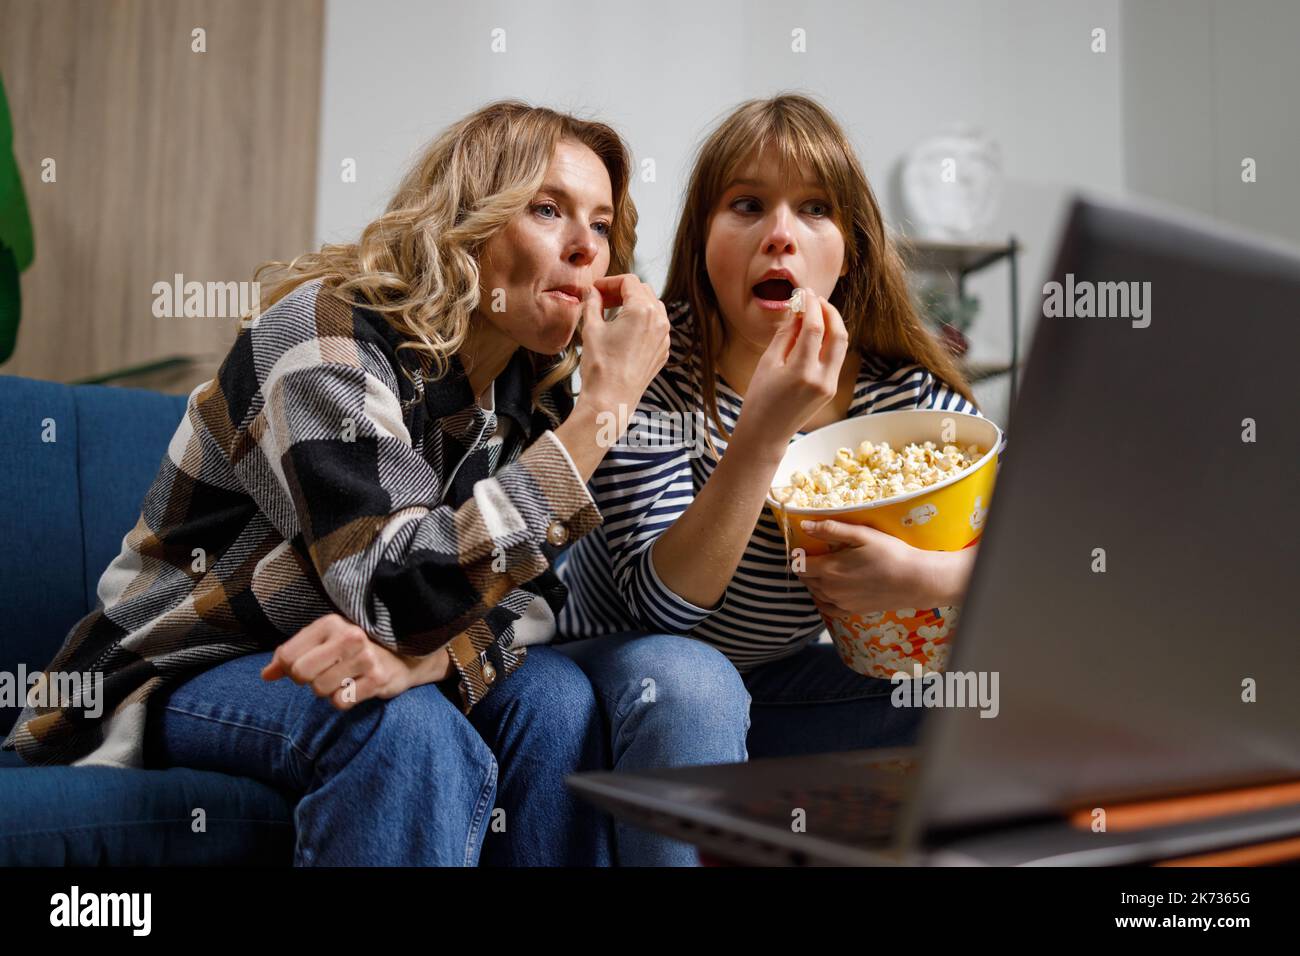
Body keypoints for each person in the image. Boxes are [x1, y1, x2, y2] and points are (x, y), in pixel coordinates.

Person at [2, 101, 670, 866]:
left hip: (370, 647)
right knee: (402, 728)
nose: (586, 247)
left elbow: (538, 598)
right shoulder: (325, 336)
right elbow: (396, 594)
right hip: (189, 664)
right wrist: (606, 412)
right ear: (467, 220)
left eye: (602, 223)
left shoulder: (530, 390)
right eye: (549, 209)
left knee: (557, 700)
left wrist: (432, 659)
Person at [554, 93, 983, 866]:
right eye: (746, 205)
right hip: (623, 673)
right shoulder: (654, 361)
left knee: (973, 697)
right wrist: (766, 431)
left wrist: (926, 573)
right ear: (704, 240)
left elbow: (1050, 553)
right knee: (692, 681)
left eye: (815, 209)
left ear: (849, 247)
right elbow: (665, 609)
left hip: (775, 690)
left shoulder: (903, 397)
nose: (780, 236)